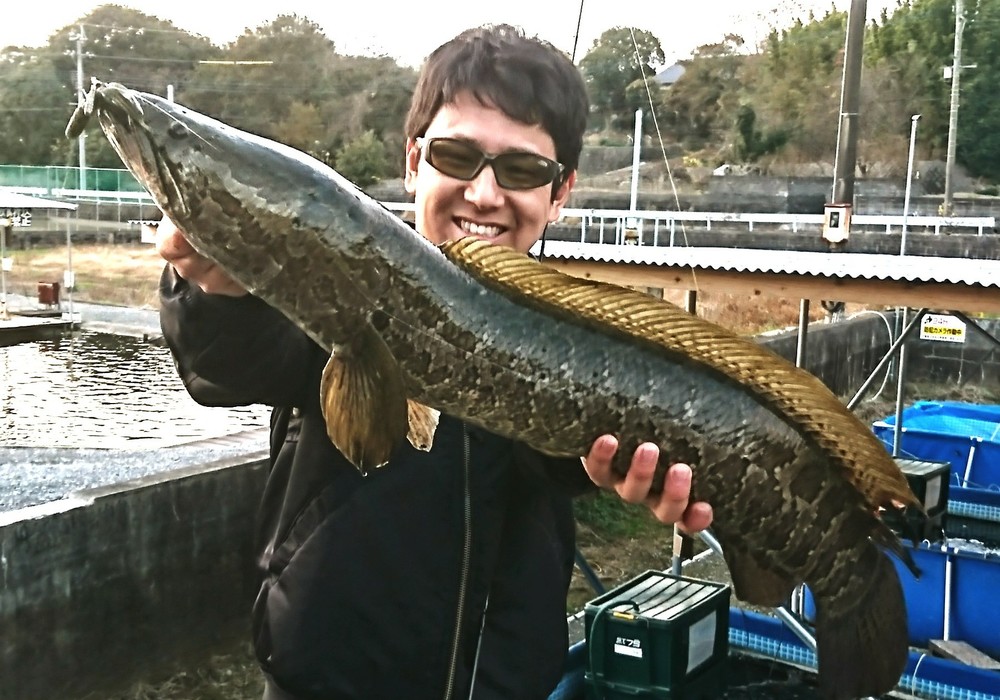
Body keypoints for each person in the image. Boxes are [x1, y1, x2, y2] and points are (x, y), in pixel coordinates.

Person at [156, 24, 712, 700]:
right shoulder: (337, 285)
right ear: (414, 162)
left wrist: (630, 467)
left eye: (522, 171)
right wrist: (210, 290)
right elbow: (229, 361)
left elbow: (559, 461)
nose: (484, 193)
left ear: (560, 191)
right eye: (457, 156)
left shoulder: (572, 335)